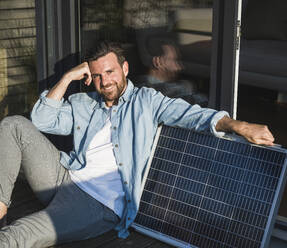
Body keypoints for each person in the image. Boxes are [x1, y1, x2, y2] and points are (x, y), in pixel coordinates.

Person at [0, 41, 274, 247]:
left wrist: (238, 125)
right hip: (63, 176)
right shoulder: (85, 103)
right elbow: (42, 118)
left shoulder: (146, 101)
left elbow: (193, 116)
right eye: (97, 75)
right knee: (13, 125)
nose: (105, 81)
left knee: (16, 236)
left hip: (96, 203)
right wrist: (69, 76)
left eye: (110, 71)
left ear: (125, 68)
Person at [136, 38, 207, 105]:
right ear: (158, 62)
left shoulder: (179, 86)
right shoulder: (148, 93)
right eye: (172, 60)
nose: (178, 67)